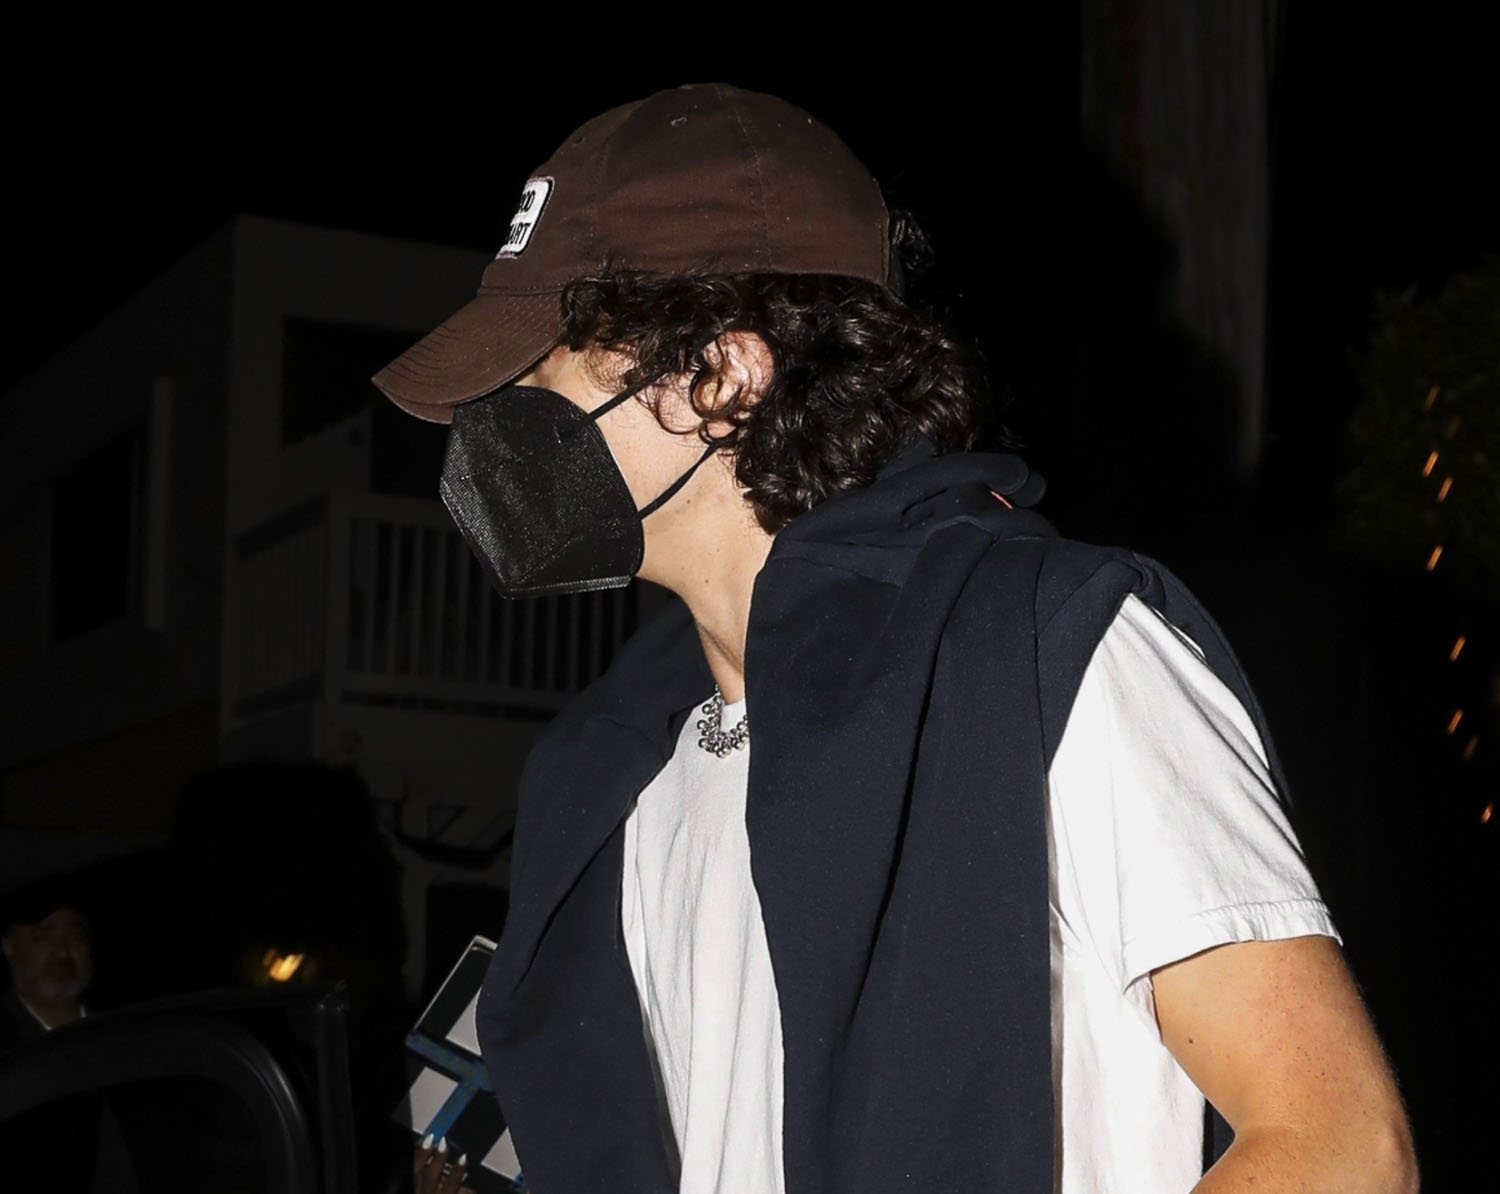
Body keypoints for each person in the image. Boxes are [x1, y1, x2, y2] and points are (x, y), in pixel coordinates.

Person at [373, 84, 1417, 1194]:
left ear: (722, 378)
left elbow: (1341, 1147)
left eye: (540, 365)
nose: (495, 412)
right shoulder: (618, 773)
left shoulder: (1048, 652)